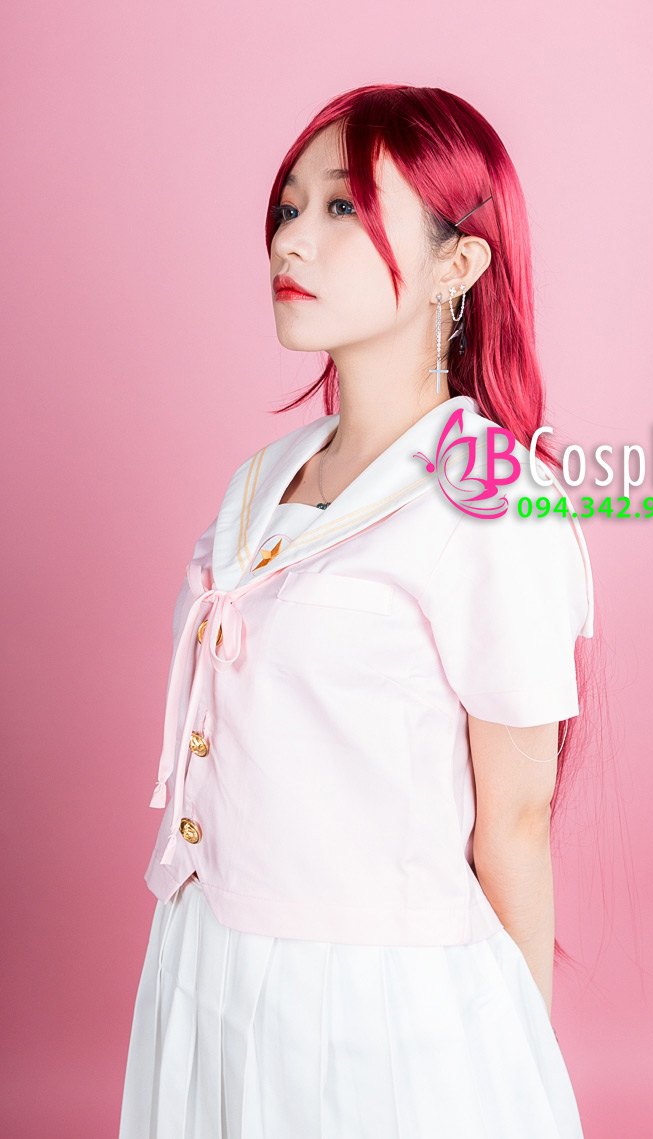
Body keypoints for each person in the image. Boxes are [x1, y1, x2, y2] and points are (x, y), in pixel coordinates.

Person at [118, 83, 596, 1139]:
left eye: (344, 207)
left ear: (456, 265)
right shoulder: (262, 478)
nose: (291, 239)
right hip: (204, 961)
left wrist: (514, 1057)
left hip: (370, 1004)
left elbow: (515, 821)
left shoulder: (493, 497)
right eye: (289, 207)